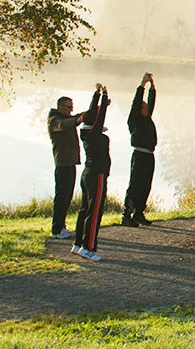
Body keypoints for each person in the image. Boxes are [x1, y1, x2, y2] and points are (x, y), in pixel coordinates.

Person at [73, 83, 111, 261]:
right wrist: (104, 96)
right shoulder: (94, 133)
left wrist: (96, 96)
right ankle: (88, 248)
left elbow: (93, 114)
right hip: (97, 175)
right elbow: (100, 116)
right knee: (94, 212)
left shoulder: (86, 132)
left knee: (84, 210)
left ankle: (77, 244)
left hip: (88, 174)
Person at [47, 94, 84, 239]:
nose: (71, 110)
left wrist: (94, 109)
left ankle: (61, 227)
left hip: (70, 163)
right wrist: (78, 120)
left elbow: (76, 118)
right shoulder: (54, 120)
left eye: (72, 107)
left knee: (67, 196)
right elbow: (64, 124)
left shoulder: (65, 118)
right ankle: (56, 230)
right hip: (62, 164)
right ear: (60, 107)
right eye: (68, 107)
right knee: (62, 197)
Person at [122, 72, 157, 227]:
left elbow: (151, 102)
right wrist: (142, 85)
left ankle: (139, 213)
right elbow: (136, 103)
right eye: (143, 107)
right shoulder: (134, 120)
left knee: (146, 185)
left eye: (146, 107)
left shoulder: (147, 117)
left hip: (149, 155)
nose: (146, 108)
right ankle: (126, 215)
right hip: (139, 155)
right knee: (135, 185)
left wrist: (152, 88)